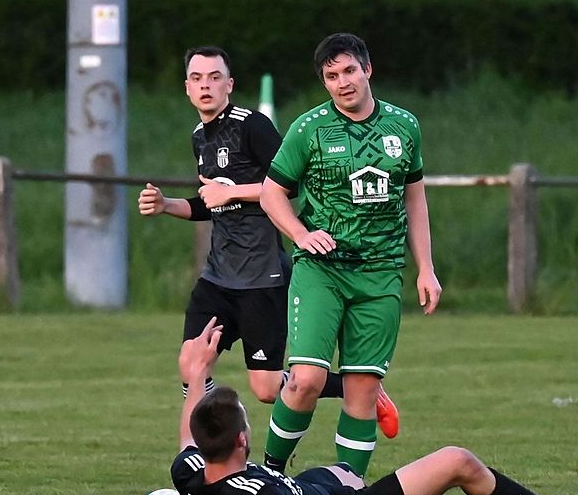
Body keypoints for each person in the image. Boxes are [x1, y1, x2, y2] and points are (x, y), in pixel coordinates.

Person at [170, 319, 578, 495]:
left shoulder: (191, 472)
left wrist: (197, 376)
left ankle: (360, 420)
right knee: (457, 461)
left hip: (310, 487)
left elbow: (191, 438)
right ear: (243, 442)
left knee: (343, 470)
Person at [137, 45, 399, 436]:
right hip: (218, 278)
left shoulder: (251, 126)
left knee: (265, 388)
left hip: (263, 278)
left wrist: (233, 193)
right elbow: (213, 201)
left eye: (214, 77)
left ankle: (359, 388)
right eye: (196, 78)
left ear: (230, 84)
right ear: (187, 89)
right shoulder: (199, 137)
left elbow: (287, 186)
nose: (205, 86)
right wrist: (166, 204)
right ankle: (206, 458)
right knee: (191, 363)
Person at [259, 33, 441, 476]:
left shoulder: (404, 126)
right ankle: (268, 474)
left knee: (362, 388)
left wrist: (426, 270)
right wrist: (301, 235)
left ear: (367, 69)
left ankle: (347, 489)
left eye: (349, 71)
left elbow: (414, 198)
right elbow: (271, 193)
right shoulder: (309, 129)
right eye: (331, 76)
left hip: (381, 274)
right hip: (322, 271)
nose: (342, 83)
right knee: (305, 380)